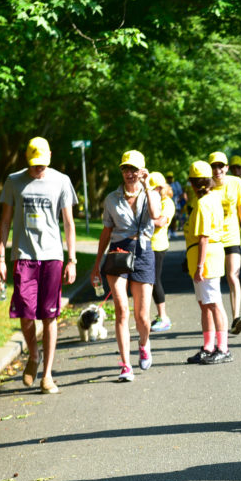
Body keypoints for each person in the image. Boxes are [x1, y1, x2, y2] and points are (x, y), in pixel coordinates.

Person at [0, 137, 78, 394]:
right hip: (24, 256)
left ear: (50, 156)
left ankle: (48, 375)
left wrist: (72, 259)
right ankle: (34, 355)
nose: (38, 169)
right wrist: (0, 257)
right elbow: (5, 221)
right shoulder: (14, 181)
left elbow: (68, 223)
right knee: (25, 314)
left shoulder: (61, 180)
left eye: (42, 164)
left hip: (53, 256)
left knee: (49, 316)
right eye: (34, 164)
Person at [91, 150, 162, 382]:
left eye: (134, 169)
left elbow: (155, 214)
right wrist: (96, 264)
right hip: (118, 252)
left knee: (142, 316)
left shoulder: (151, 193)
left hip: (143, 252)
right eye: (125, 168)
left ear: (142, 171)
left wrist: (147, 185)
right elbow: (106, 231)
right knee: (121, 309)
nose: (129, 173)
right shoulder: (112, 198)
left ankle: (143, 344)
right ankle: (125, 365)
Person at [183, 161, 231, 365]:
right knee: (205, 305)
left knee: (214, 304)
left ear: (193, 184)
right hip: (204, 255)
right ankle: (209, 346)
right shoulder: (210, 199)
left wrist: (200, 266)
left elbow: (203, 236)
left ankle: (222, 347)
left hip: (206, 257)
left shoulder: (203, 203)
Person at [207, 152, 241, 334]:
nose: (217, 170)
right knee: (216, 280)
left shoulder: (236, 183)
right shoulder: (206, 186)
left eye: (220, 166)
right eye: (214, 166)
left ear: (226, 167)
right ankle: (221, 320)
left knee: (233, 275)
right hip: (213, 238)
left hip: (232, 236)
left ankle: (235, 318)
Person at [148, 171, 175, 332]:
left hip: (157, 246)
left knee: (155, 281)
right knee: (149, 282)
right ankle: (159, 316)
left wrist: (143, 221)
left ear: (161, 188)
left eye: (154, 189)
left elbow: (160, 222)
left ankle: (163, 317)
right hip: (148, 245)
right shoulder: (154, 200)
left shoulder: (167, 203)